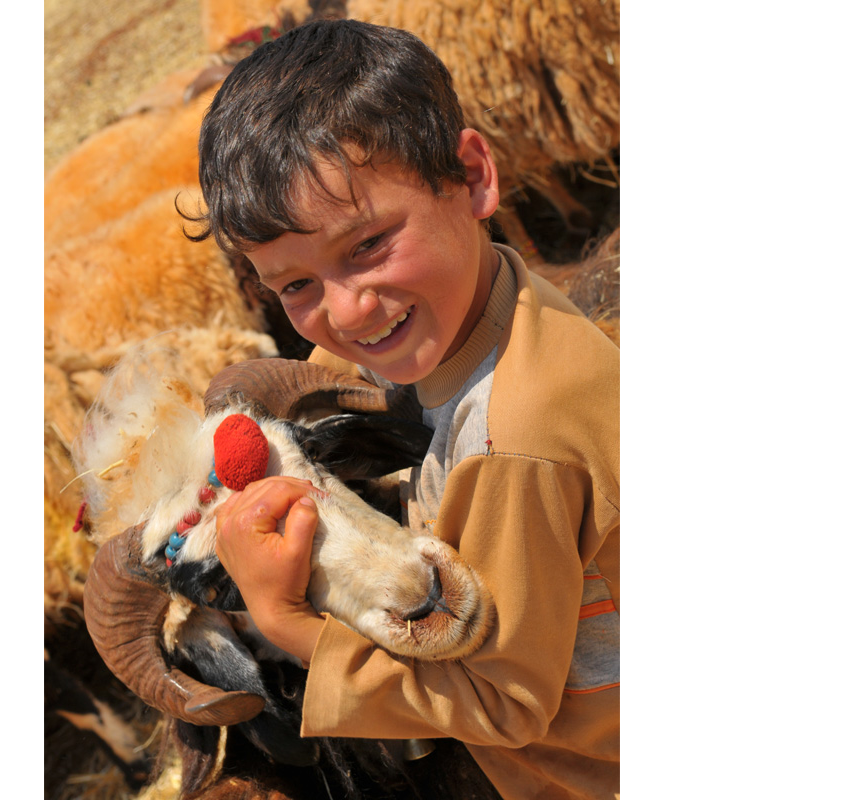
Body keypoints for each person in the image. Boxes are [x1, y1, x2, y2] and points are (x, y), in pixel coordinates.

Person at [187, 19, 620, 800]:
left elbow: (507, 704)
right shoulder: (488, 306)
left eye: (367, 246)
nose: (347, 312)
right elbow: (345, 352)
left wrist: (284, 620)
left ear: (473, 176)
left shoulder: (512, 442)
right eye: (296, 286)